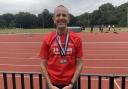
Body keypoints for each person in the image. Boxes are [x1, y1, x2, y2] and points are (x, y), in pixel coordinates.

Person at [39, 5, 83, 89]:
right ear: (54, 19)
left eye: (64, 15)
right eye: (58, 15)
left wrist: (71, 84)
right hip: (52, 84)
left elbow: (80, 63)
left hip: (71, 84)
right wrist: (50, 85)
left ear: (68, 18)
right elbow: (42, 64)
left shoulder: (77, 39)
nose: (61, 17)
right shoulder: (47, 39)